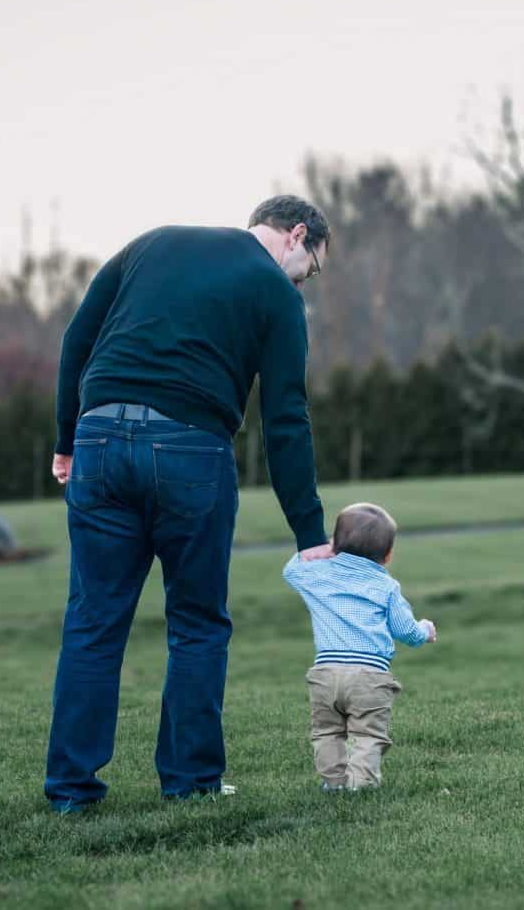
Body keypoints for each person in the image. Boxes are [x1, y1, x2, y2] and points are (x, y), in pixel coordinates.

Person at [45, 195, 333, 812]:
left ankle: (71, 793)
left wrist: (68, 438)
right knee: (198, 623)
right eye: (311, 267)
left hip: (99, 440)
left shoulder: (152, 242)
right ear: (296, 236)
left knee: (93, 623)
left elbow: (77, 338)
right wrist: (310, 532)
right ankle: (191, 783)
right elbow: (285, 417)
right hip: (190, 449)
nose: (305, 280)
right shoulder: (277, 293)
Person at [283, 502, 437, 792]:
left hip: (325, 674)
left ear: (334, 543)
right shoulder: (385, 586)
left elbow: (291, 571)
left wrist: (322, 551)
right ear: (388, 555)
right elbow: (405, 631)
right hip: (369, 677)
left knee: (327, 732)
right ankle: (361, 785)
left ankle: (334, 782)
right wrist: (425, 631)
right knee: (368, 735)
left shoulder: (318, 575)